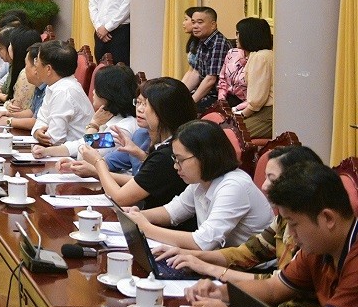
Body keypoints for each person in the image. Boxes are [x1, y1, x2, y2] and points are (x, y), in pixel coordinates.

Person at [183, 163, 358, 307]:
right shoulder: (318, 247)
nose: (291, 234)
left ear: (328, 218)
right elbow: (273, 288)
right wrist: (221, 292)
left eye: (293, 224)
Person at [169, 146, 327, 307]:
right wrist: (194, 260)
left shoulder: (315, 239)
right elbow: (251, 256)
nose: (264, 186)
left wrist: (211, 271)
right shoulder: (284, 220)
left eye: (272, 179)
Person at [123, 120, 272, 250]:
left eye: (180, 160)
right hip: (220, 260)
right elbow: (172, 212)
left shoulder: (234, 186)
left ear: (205, 156)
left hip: (250, 268)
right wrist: (135, 216)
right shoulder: (202, 181)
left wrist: (146, 228)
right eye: (175, 159)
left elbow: (203, 242)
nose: (176, 166)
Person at [60, 76, 198, 210]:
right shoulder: (140, 134)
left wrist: (93, 125)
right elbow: (142, 179)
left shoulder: (122, 128)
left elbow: (86, 150)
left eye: (145, 104)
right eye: (138, 102)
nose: (93, 93)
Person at [37, 65, 143, 168]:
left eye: (97, 89)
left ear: (108, 94)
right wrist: (46, 151)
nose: (93, 92)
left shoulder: (120, 130)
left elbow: (84, 155)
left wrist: (93, 125)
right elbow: (79, 144)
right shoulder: (109, 119)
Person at [28, 41, 95, 153]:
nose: (35, 66)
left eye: (37, 61)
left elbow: (54, 139)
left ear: (48, 69)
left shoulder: (64, 91)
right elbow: (41, 119)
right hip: (58, 151)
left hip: (74, 155)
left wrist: (41, 134)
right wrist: (37, 131)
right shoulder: (54, 85)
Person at [0, 40, 46, 132]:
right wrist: (8, 114)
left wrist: (8, 121)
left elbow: (38, 122)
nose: (24, 69)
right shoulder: (39, 87)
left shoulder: (50, 88)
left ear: (36, 68)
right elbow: (32, 112)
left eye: (26, 65)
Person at [233, 17, 274, 139]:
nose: (236, 37)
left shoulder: (260, 57)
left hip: (266, 114)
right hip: (263, 110)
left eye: (238, 33)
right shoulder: (263, 54)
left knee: (231, 135)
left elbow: (257, 99)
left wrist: (241, 115)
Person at [183, 6, 230, 111]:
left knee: (182, 110)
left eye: (200, 22)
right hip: (205, 91)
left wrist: (190, 103)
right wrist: (180, 94)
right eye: (193, 22)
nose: (195, 26)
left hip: (218, 96)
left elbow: (211, 80)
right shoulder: (202, 40)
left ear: (213, 25)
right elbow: (196, 73)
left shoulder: (218, 43)